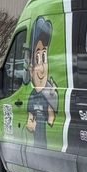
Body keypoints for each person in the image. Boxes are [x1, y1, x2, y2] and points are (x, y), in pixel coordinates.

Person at [26, 16, 58, 148]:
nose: (42, 68)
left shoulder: (49, 94)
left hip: (45, 142)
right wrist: (31, 123)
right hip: (36, 144)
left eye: (44, 58)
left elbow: (51, 119)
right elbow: (30, 122)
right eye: (37, 59)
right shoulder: (32, 96)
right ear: (30, 68)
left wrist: (53, 97)